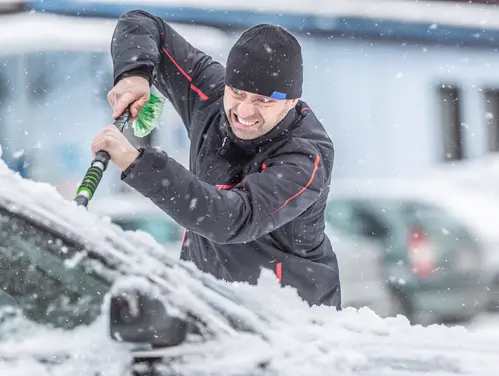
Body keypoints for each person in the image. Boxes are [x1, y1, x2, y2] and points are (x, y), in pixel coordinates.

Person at [91, 9, 341, 309]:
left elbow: (232, 219)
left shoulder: (304, 157)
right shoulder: (209, 94)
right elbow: (142, 23)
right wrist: (135, 74)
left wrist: (138, 164)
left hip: (291, 321)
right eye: (238, 92)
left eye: (264, 100)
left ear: (291, 101)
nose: (245, 111)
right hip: (207, 306)